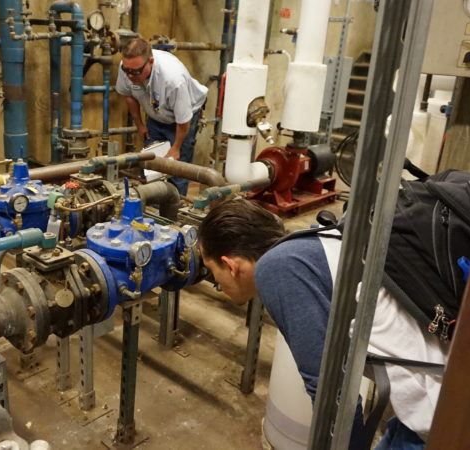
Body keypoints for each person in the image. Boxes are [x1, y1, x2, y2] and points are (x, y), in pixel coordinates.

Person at [197, 199, 448, 450]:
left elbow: (332, 396)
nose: (217, 284)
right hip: (432, 392)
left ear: (230, 265)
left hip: (434, 411)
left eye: (212, 272)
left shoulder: (277, 269)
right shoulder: (312, 242)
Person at [115, 37, 208, 196]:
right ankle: (153, 203)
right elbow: (129, 95)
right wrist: (140, 125)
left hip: (183, 118)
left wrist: (176, 147)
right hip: (156, 113)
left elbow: (183, 120)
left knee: (176, 168)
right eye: (127, 71)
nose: (130, 76)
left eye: (135, 71)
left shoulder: (173, 79)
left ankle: (174, 209)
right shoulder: (128, 67)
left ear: (150, 61)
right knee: (152, 165)